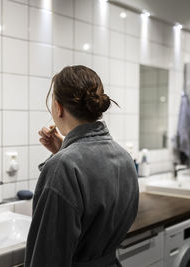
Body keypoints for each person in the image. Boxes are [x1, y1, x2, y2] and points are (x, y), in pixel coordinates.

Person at [24, 65, 139, 267]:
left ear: (58, 108)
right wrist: (65, 150)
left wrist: (65, 155)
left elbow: (47, 258)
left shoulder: (63, 167)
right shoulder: (125, 158)